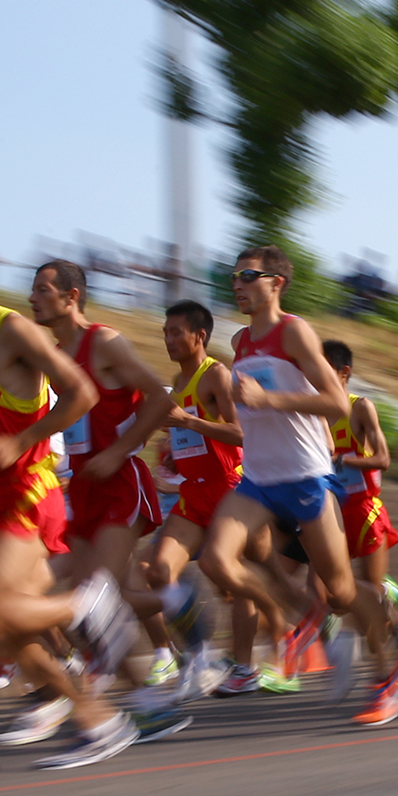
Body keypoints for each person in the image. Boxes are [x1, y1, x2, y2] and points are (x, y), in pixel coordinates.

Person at [0, 231, 158, 766]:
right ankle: (99, 722)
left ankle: (88, 604)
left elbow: (82, 392)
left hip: (29, 489)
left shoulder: (13, 330)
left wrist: (21, 439)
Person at [196, 245, 398, 727]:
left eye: (248, 276)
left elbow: (336, 403)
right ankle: (301, 620)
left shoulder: (294, 332)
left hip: (306, 477)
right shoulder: (241, 342)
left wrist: (268, 399)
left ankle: (386, 671)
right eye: (234, 277)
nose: (238, 284)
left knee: (343, 592)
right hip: (258, 479)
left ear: (276, 283)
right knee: (215, 559)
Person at [29, 260, 180, 686]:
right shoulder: (57, 358)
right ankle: (172, 609)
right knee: (81, 603)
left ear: (71, 296)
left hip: (120, 481)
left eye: (42, 290)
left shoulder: (105, 343)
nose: (31, 298)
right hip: (80, 486)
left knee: (99, 598)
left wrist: (116, 452)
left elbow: (159, 400)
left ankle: (173, 622)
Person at [141, 298, 244, 698]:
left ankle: (250, 662)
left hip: (230, 490)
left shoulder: (216, 375)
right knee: (154, 568)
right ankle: (201, 657)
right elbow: (185, 437)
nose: (167, 339)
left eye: (175, 332)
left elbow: (241, 434)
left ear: (199, 336)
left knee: (231, 585)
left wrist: (189, 422)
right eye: (165, 332)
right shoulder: (177, 382)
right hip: (193, 494)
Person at [321, 340, 398, 593]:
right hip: (332, 512)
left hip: (364, 511)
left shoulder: (361, 408)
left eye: (325, 369)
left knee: (373, 587)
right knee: (330, 589)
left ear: (344, 372)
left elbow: (383, 460)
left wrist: (343, 460)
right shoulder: (315, 412)